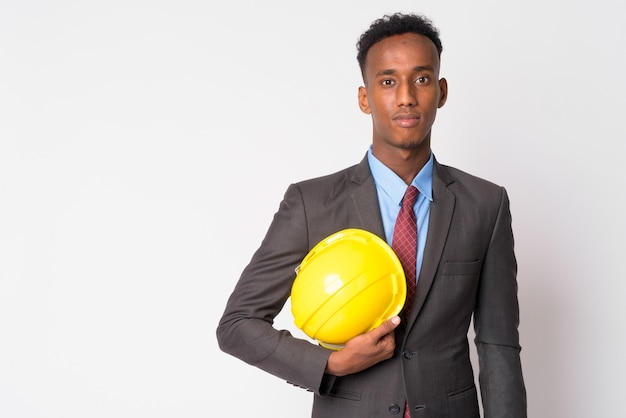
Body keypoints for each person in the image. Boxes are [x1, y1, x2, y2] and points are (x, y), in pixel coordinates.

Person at [216, 12, 526, 418]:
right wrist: (330, 364)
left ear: (441, 90)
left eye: (421, 78)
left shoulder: (485, 203)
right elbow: (238, 323)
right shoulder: (312, 202)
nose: (406, 97)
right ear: (365, 98)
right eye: (387, 81)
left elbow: (498, 342)